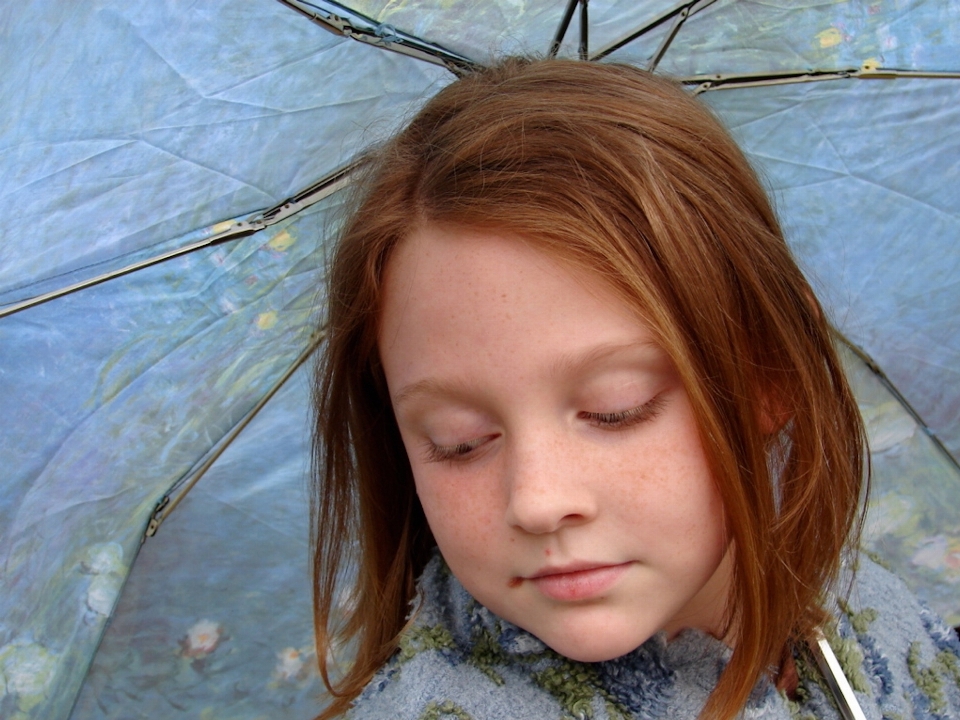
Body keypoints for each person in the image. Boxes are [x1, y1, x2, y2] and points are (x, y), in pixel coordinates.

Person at [310, 58, 960, 720]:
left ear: (769, 374)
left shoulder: (870, 614)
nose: (537, 501)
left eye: (615, 409)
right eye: (459, 442)